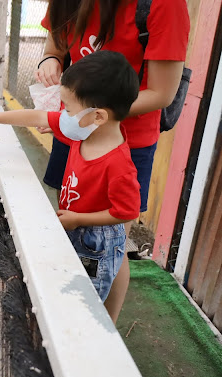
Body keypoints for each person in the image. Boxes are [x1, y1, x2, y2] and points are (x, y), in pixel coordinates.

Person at [34, 0, 190, 323]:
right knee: (69, 221)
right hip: (78, 127)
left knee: (111, 245)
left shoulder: (163, 5)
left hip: (124, 141)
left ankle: (106, 329)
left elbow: (161, 93)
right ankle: (60, 309)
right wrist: (50, 59)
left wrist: (92, 114)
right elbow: (56, 42)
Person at [0, 51, 141, 303]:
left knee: (86, 297)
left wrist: (78, 219)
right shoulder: (84, 131)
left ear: (99, 116)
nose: (63, 115)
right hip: (73, 223)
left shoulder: (118, 165)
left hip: (97, 244)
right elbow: (37, 116)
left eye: (69, 109)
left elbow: (126, 213)